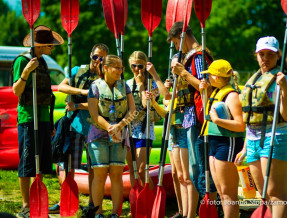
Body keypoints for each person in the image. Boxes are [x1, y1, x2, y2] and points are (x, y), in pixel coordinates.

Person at [148, 21, 217, 217]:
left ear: (182, 36)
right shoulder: (189, 56)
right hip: (188, 119)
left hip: (197, 118)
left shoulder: (198, 56)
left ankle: (209, 209)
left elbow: (206, 87)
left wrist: (183, 73)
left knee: (199, 171)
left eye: (177, 42)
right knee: (192, 172)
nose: (177, 46)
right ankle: (192, 212)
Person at [49, 43, 109, 214]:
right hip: (74, 125)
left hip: (94, 128)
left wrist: (77, 105)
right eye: (96, 56)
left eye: (102, 58)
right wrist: (83, 93)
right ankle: (65, 200)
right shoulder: (77, 70)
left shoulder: (105, 77)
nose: (98, 60)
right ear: (91, 55)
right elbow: (62, 86)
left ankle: (92, 203)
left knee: (93, 167)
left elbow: (100, 104)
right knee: (69, 166)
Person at [12, 25, 64, 218]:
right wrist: (26, 71)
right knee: (27, 164)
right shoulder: (22, 61)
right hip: (28, 118)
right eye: (51, 44)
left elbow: (47, 96)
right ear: (41, 45)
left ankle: (38, 204)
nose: (54, 47)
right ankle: (26, 207)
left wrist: (50, 123)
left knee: (40, 164)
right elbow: (16, 91)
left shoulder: (42, 62)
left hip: (42, 119)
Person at [235, 36, 287, 217]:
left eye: (270, 54)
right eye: (261, 54)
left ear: (278, 55)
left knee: (275, 193)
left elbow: (286, 115)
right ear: (256, 55)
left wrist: (285, 89)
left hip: (275, 135)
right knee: (263, 193)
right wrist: (244, 148)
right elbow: (250, 118)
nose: (265, 58)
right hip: (253, 139)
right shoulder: (255, 79)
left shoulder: (280, 79)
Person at [87, 55, 135, 218]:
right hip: (98, 135)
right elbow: (94, 115)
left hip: (120, 135)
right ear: (106, 68)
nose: (120, 71)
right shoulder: (94, 87)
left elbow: (132, 110)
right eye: (116, 67)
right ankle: (98, 212)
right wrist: (109, 128)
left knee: (116, 175)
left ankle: (115, 213)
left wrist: (119, 127)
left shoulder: (125, 86)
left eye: (121, 67)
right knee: (99, 174)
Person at [199, 60, 245, 218]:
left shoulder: (231, 95)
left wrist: (218, 121)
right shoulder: (216, 91)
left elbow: (240, 125)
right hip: (214, 143)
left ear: (217, 77)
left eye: (209, 75)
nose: (207, 78)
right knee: (221, 193)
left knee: (229, 195)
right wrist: (203, 92)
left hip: (228, 144)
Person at [125, 51, 159, 189]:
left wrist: (140, 85)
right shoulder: (126, 84)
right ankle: (137, 203)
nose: (137, 69)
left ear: (146, 66)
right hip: (129, 130)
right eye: (134, 66)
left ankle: (151, 199)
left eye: (140, 66)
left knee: (141, 171)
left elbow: (146, 104)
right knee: (133, 171)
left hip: (144, 130)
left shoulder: (152, 85)